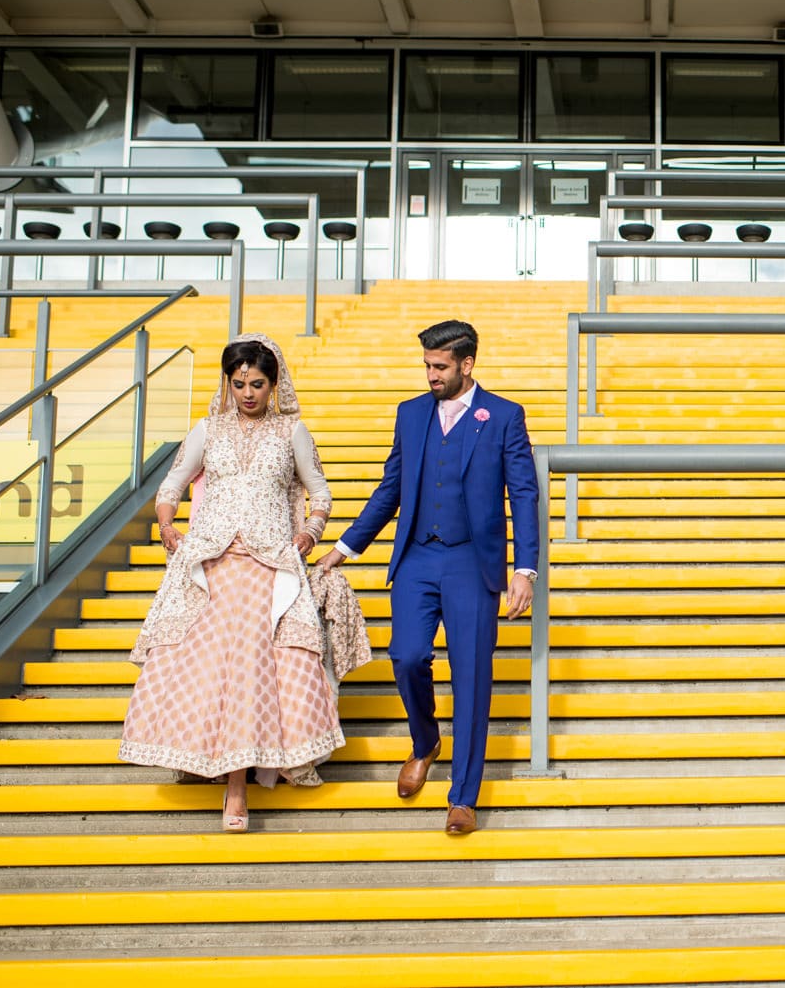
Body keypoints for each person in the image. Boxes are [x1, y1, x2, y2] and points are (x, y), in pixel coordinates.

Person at [318, 319, 539, 836]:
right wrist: (345, 548)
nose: (430, 375)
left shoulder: (504, 416)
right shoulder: (411, 413)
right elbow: (389, 487)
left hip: (472, 562)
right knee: (406, 655)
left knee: (471, 678)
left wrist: (524, 569)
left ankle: (463, 797)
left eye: (439, 367)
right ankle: (425, 743)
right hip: (417, 556)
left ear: (467, 364)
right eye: (426, 366)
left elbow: (523, 494)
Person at [120, 334, 344, 833]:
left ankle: (237, 789)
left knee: (247, 667)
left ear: (274, 383)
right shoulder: (209, 429)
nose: (248, 393)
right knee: (205, 668)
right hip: (208, 565)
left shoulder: (292, 432)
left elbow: (320, 492)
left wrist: (309, 534)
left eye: (258, 384)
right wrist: (167, 525)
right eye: (239, 383)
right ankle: (204, 760)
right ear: (228, 382)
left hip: (267, 569)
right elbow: (171, 485)